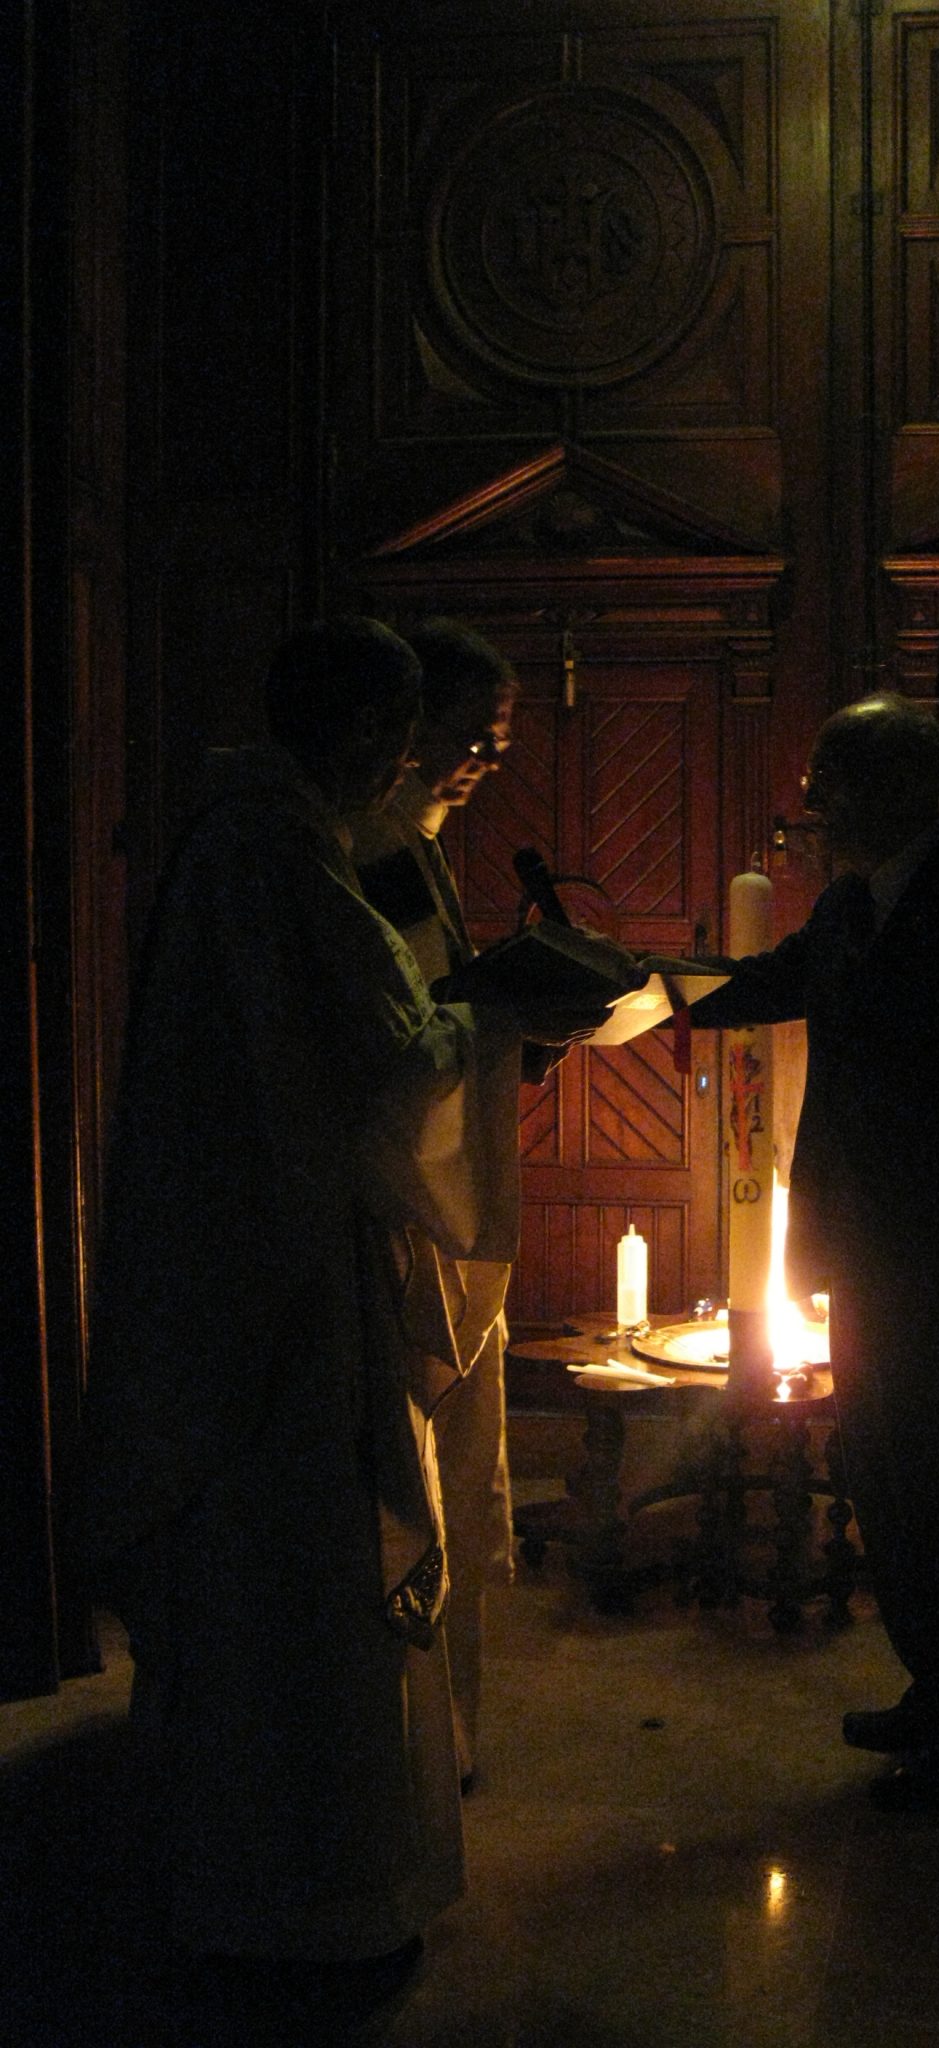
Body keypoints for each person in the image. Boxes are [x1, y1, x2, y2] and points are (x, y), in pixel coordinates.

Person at [70, 618, 597, 2005]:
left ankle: (261, 1875)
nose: (428, 760)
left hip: (248, 1269)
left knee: (269, 1593)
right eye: (418, 733)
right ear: (368, 728)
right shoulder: (279, 853)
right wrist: (502, 1017)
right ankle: (310, 1896)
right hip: (286, 1295)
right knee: (311, 1591)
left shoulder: (250, 836)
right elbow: (387, 1063)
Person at [690, 694, 939, 1809]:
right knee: (891, 1486)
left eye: (828, 782)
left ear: (898, 790)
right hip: (864, 1253)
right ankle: (937, 1690)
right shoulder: (854, 902)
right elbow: (774, 980)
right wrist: (631, 987)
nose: (809, 803)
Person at [348, 618, 531, 1792]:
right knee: (419, 1489)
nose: (489, 760)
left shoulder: (412, 847)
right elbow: (405, 1048)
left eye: (499, 740)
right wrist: (508, 1011)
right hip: (407, 1220)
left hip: (437, 1213)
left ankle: (444, 1738)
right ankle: (419, 1747)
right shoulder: (370, 852)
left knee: (450, 1485)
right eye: (475, 733)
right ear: (408, 729)